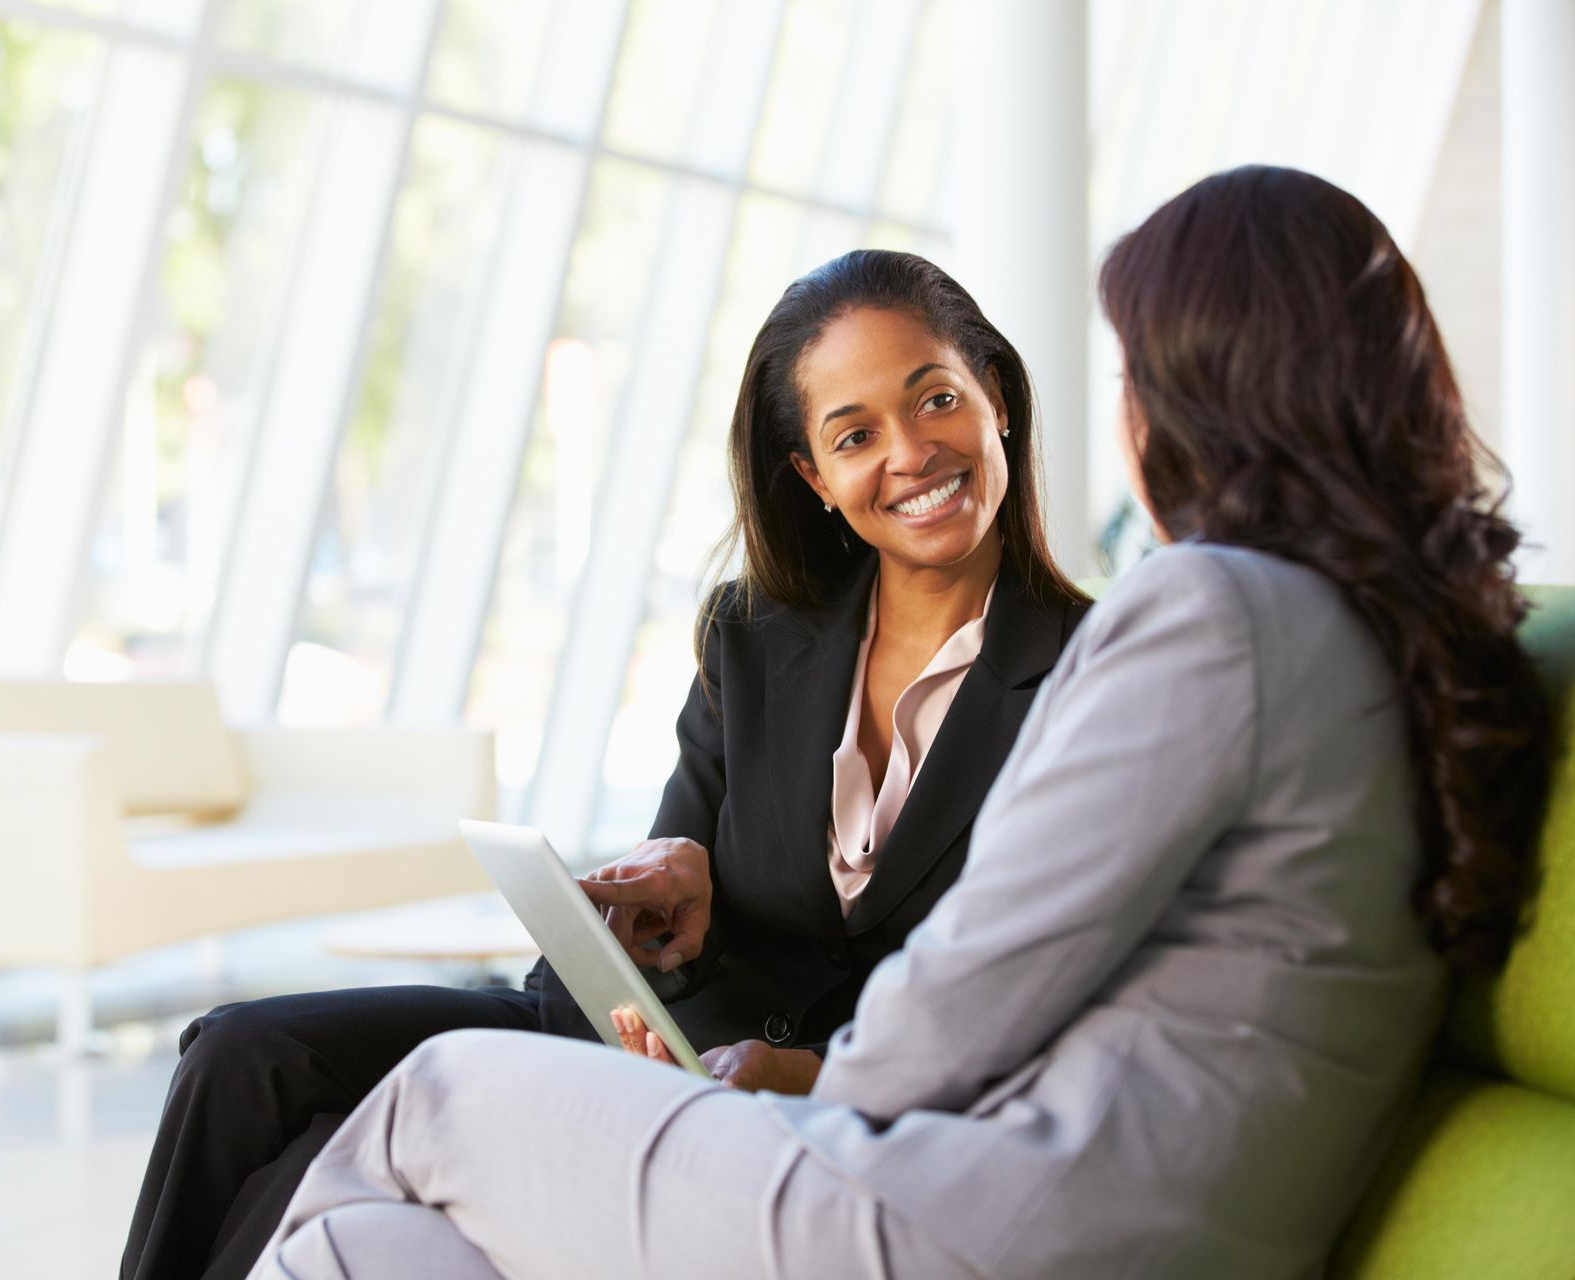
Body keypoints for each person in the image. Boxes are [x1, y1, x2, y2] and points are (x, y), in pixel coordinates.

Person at [244, 166, 1554, 1280]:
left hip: (986, 1225)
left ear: (1206, 390)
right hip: (1137, 1226)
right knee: (386, 1251)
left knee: (434, 1095)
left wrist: (795, 1107)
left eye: (1137, 370)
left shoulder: (1215, 612)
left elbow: (974, 982)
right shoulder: (1419, 638)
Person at [119, 249, 1090, 1279]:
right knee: (241, 1057)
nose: (910, 452)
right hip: (644, 1048)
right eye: (855, 434)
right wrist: (666, 898)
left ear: (995, 398)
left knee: (319, 1172)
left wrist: (804, 1072)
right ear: (813, 475)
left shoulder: (1098, 679)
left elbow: (1032, 1002)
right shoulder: (755, 637)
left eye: (936, 398)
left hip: (828, 1125)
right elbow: (670, 912)